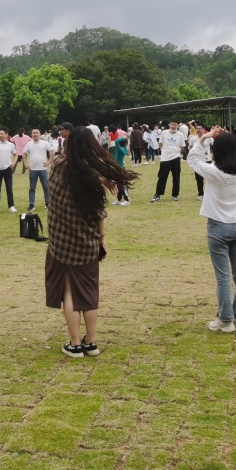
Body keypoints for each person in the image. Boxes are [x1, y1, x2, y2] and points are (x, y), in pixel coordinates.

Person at [46, 124, 137, 358]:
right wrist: (101, 239)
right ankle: (91, 342)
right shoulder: (90, 179)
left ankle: (75, 344)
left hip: (61, 242)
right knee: (88, 293)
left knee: (69, 293)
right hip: (87, 242)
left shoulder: (58, 165)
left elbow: (69, 166)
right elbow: (98, 214)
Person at [187, 126, 236, 332]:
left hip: (217, 226)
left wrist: (203, 138)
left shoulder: (214, 172)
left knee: (223, 276)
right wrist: (230, 137)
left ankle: (225, 320)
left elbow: (192, 159)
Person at [151, 121, 186, 202]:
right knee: (162, 176)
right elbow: (160, 144)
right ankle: (157, 194)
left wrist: (176, 153)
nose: (173, 126)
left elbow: (182, 147)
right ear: (170, 125)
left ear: (178, 126)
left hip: (176, 157)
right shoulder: (164, 133)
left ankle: (175, 195)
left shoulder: (180, 134)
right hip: (165, 158)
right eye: (172, 124)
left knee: (176, 177)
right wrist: (164, 152)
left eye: (175, 125)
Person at [24, 128, 55, 211]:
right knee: (32, 188)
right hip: (33, 170)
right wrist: (26, 164)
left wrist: (49, 161)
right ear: (31, 135)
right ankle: (31, 204)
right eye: (33, 133)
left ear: (40, 134)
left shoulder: (45, 143)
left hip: (43, 169)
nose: (35, 134)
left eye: (36, 133)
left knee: (46, 187)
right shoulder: (29, 144)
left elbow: (52, 151)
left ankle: (48, 203)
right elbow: (24, 153)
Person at [0, 129, 18, 213]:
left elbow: (16, 154)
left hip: (8, 169)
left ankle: (11, 206)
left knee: (9, 188)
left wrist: (13, 163)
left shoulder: (11, 145)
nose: (0, 135)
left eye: (2, 134)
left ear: (6, 134)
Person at [191, 124, 214, 201]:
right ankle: (201, 194)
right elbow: (190, 147)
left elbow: (215, 145)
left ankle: (211, 194)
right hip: (198, 161)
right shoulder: (193, 138)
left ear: (203, 129)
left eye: (199, 128)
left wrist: (214, 155)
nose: (198, 130)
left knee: (210, 178)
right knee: (199, 179)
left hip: (207, 160)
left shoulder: (209, 138)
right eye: (197, 128)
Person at [110, 135, 131, 205]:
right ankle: (119, 199)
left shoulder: (119, 149)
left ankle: (127, 200)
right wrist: (126, 139)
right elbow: (125, 144)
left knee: (121, 184)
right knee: (119, 184)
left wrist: (124, 137)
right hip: (120, 168)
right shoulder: (124, 149)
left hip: (120, 168)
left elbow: (116, 141)